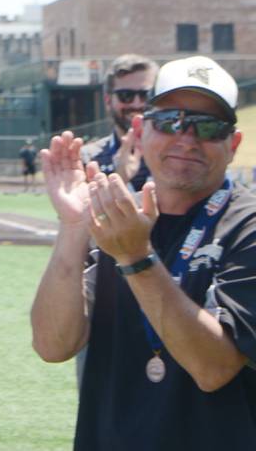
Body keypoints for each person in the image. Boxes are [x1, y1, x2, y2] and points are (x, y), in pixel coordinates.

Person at [31, 56, 256, 450]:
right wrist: (72, 228)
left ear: (232, 144)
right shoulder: (114, 218)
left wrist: (136, 259)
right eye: (171, 121)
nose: (187, 138)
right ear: (140, 129)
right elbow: (53, 345)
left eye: (208, 127)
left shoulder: (246, 224)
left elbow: (214, 368)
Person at [81, 53, 158, 190]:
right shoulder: (87, 159)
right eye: (125, 96)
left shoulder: (175, 154)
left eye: (145, 95)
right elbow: (79, 210)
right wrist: (120, 178)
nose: (137, 104)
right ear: (108, 101)